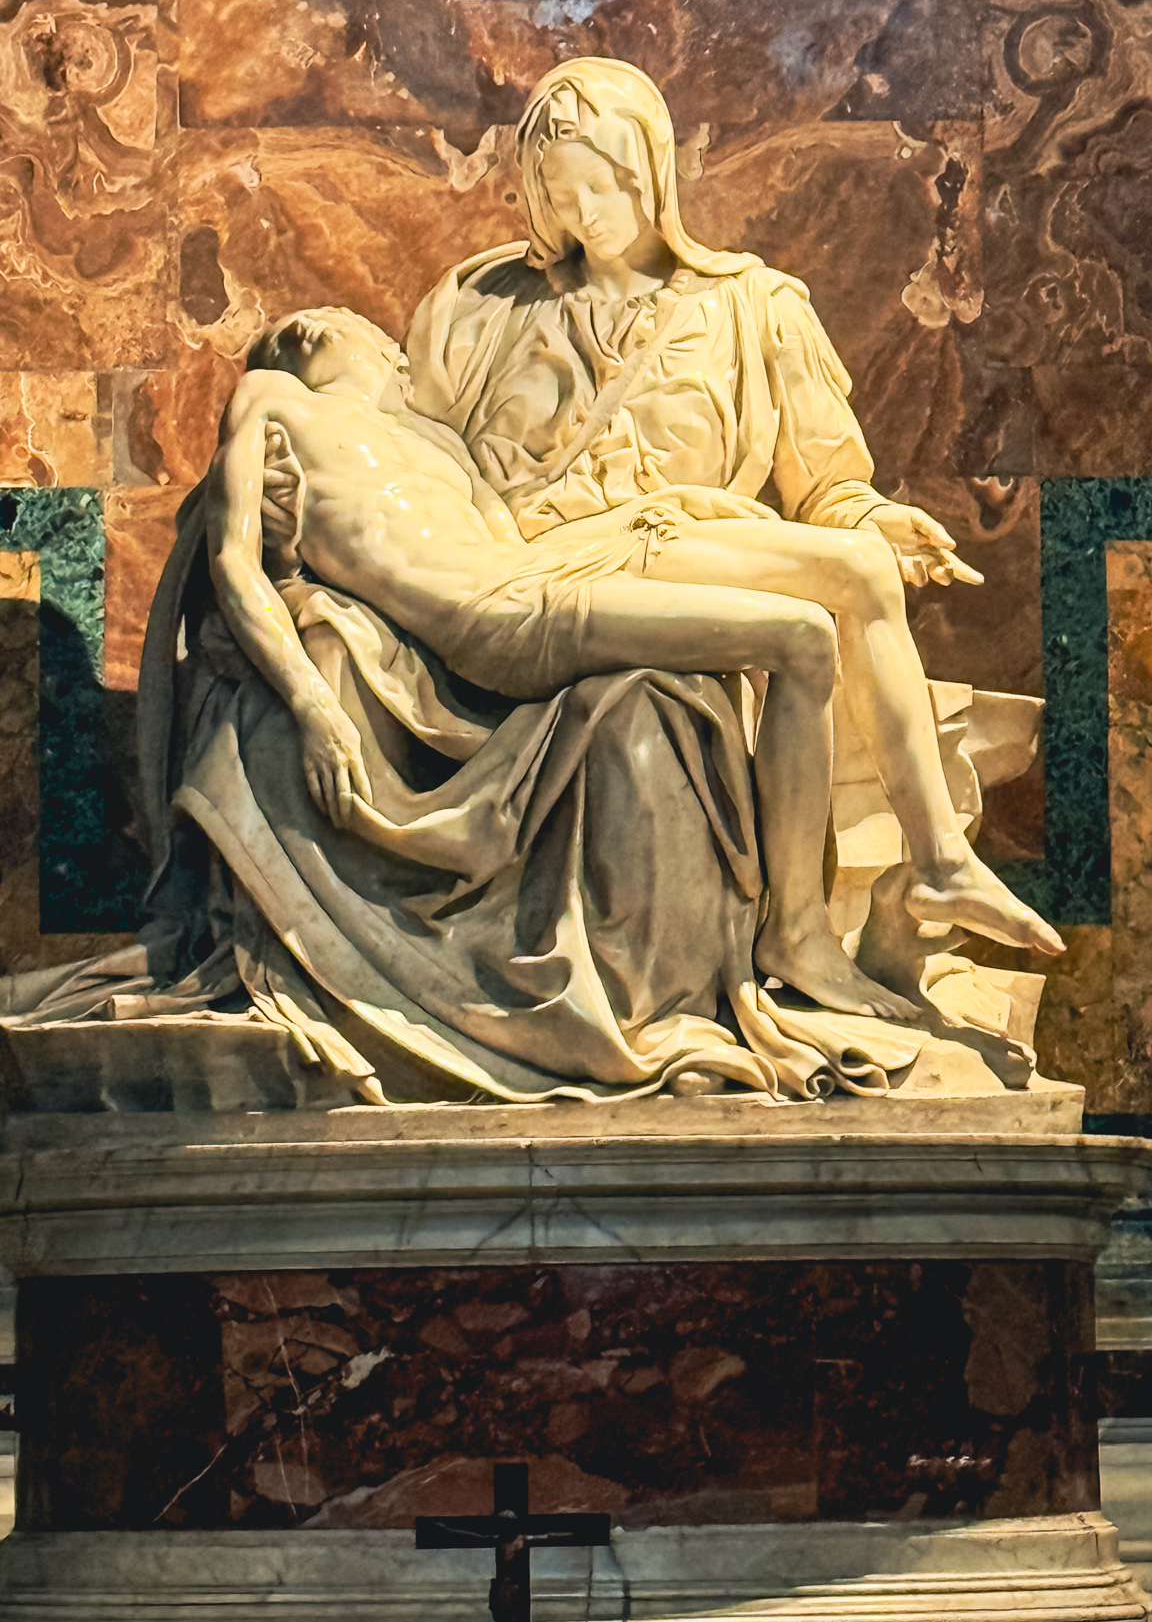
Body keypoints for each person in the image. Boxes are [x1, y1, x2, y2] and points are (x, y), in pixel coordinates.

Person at [402, 57, 1064, 966]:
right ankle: (930, 868)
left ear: (650, 170)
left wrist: (868, 518)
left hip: (674, 548)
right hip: (534, 565)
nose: (586, 212)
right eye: (560, 192)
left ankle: (921, 870)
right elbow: (410, 455)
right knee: (835, 588)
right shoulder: (484, 311)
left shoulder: (755, 308)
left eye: (603, 184)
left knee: (851, 572)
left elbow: (826, 485)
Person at [210, 305, 917, 1021]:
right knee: (801, 636)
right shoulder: (275, 396)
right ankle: (797, 933)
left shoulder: (437, 443)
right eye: (344, 324)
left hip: (536, 579)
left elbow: (518, 547)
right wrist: (311, 703)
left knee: (828, 595)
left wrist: (672, 505)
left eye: (359, 325)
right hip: (494, 618)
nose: (336, 326)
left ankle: (869, 892)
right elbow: (234, 561)